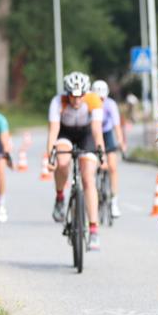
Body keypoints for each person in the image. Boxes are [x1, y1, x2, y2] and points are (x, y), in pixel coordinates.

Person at [45, 72, 107, 250]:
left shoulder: (93, 100)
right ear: (67, 93)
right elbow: (53, 131)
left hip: (85, 135)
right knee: (63, 162)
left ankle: (93, 230)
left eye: (80, 96)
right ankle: (60, 197)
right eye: (73, 96)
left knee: (88, 178)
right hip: (65, 133)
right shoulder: (58, 101)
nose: (77, 100)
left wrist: (101, 153)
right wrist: (50, 156)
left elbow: (97, 130)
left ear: (85, 93)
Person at [92, 79, 126, 218]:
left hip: (106, 133)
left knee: (112, 166)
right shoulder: (89, 103)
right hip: (93, 133)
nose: (100, 101)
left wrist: (121, 141)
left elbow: (117, 125)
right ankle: (92, 195)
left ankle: (114, 201)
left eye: (102, 98)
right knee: (92, 164)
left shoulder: (110, 104)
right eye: (97, 98)